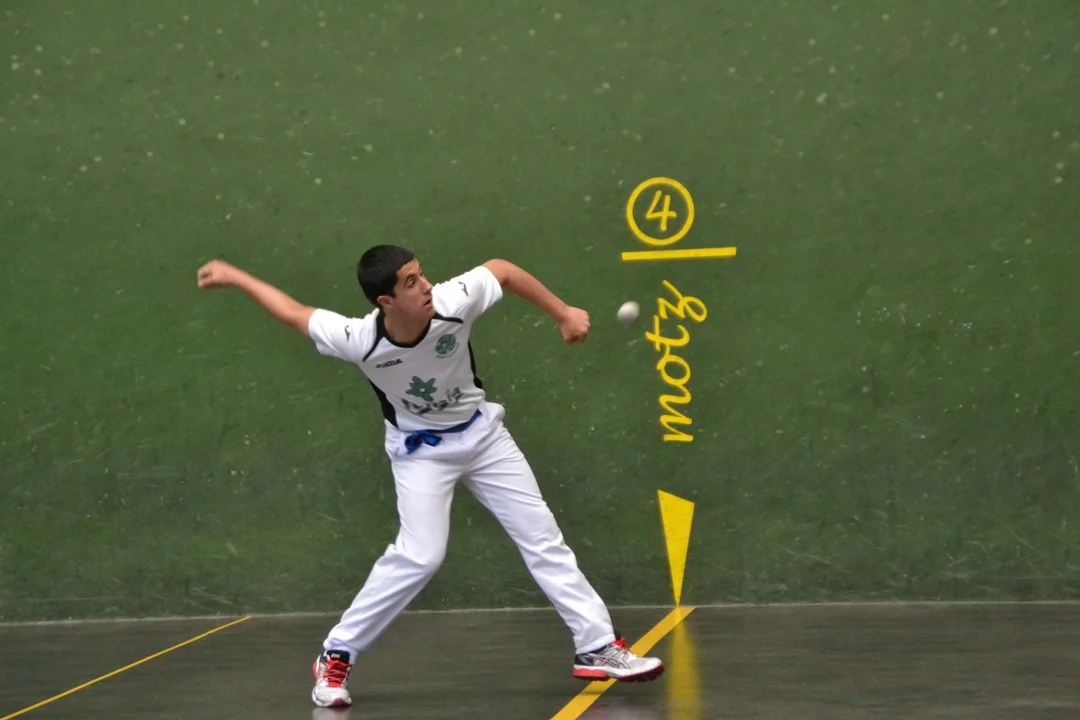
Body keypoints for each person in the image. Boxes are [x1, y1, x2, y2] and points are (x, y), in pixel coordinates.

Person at [196, 246, 664, 708]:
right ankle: (336, 655)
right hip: (421, 453)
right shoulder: (360, 339)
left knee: (541, 536)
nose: (426, 286)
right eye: (411, 283)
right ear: (386, 301)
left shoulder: (453, 301)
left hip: (483, 438)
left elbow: (502, 270)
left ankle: (597, 645)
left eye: (421, 274)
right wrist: (236, 276)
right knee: (421, 556)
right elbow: (294, 313)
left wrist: (562, 313)